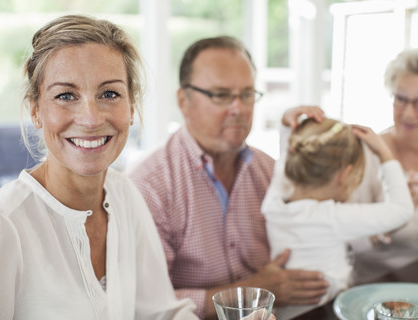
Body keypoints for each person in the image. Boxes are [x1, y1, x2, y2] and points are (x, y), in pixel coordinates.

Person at [0, 14, 199, 320]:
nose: (90, 119)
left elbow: (162, 313)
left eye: (109, 93)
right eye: (65, 96)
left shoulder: (124, 194)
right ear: (36, 111)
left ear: (131, 108)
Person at [128, 36, 329, 320]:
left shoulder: (268, 169)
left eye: (247, 94)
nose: (239, 108)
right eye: (221, 95)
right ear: (183, 100)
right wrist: (255, 289)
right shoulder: (150, 185)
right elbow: (146, 303)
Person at [262, 106, 414, 319]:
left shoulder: (274, 203)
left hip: (285, 313)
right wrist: (384, 153)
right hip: (326, 312)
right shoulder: (332, 217)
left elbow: (286, 160)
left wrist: (286, 124)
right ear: (345, 175)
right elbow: (403, 210)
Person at [348, 48, 418, 283]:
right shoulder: (369, 154)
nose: (408, 113)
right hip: (370, 287)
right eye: (400, 99)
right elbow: (345, 244)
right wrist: (389, 222)